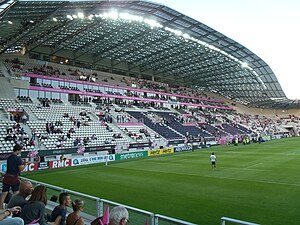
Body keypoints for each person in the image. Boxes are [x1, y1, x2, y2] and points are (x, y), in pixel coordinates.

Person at [0, 144, 25, 209]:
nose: (20, 152)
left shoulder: (9, 157)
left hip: (7, 177)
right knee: (16, 193)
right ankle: (14, 207)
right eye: (20, 150)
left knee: (4, 193)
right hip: (14, 178)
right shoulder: (18, 158)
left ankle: (0, 207)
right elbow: (21, 169)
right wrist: (25, 164)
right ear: (17, 150)